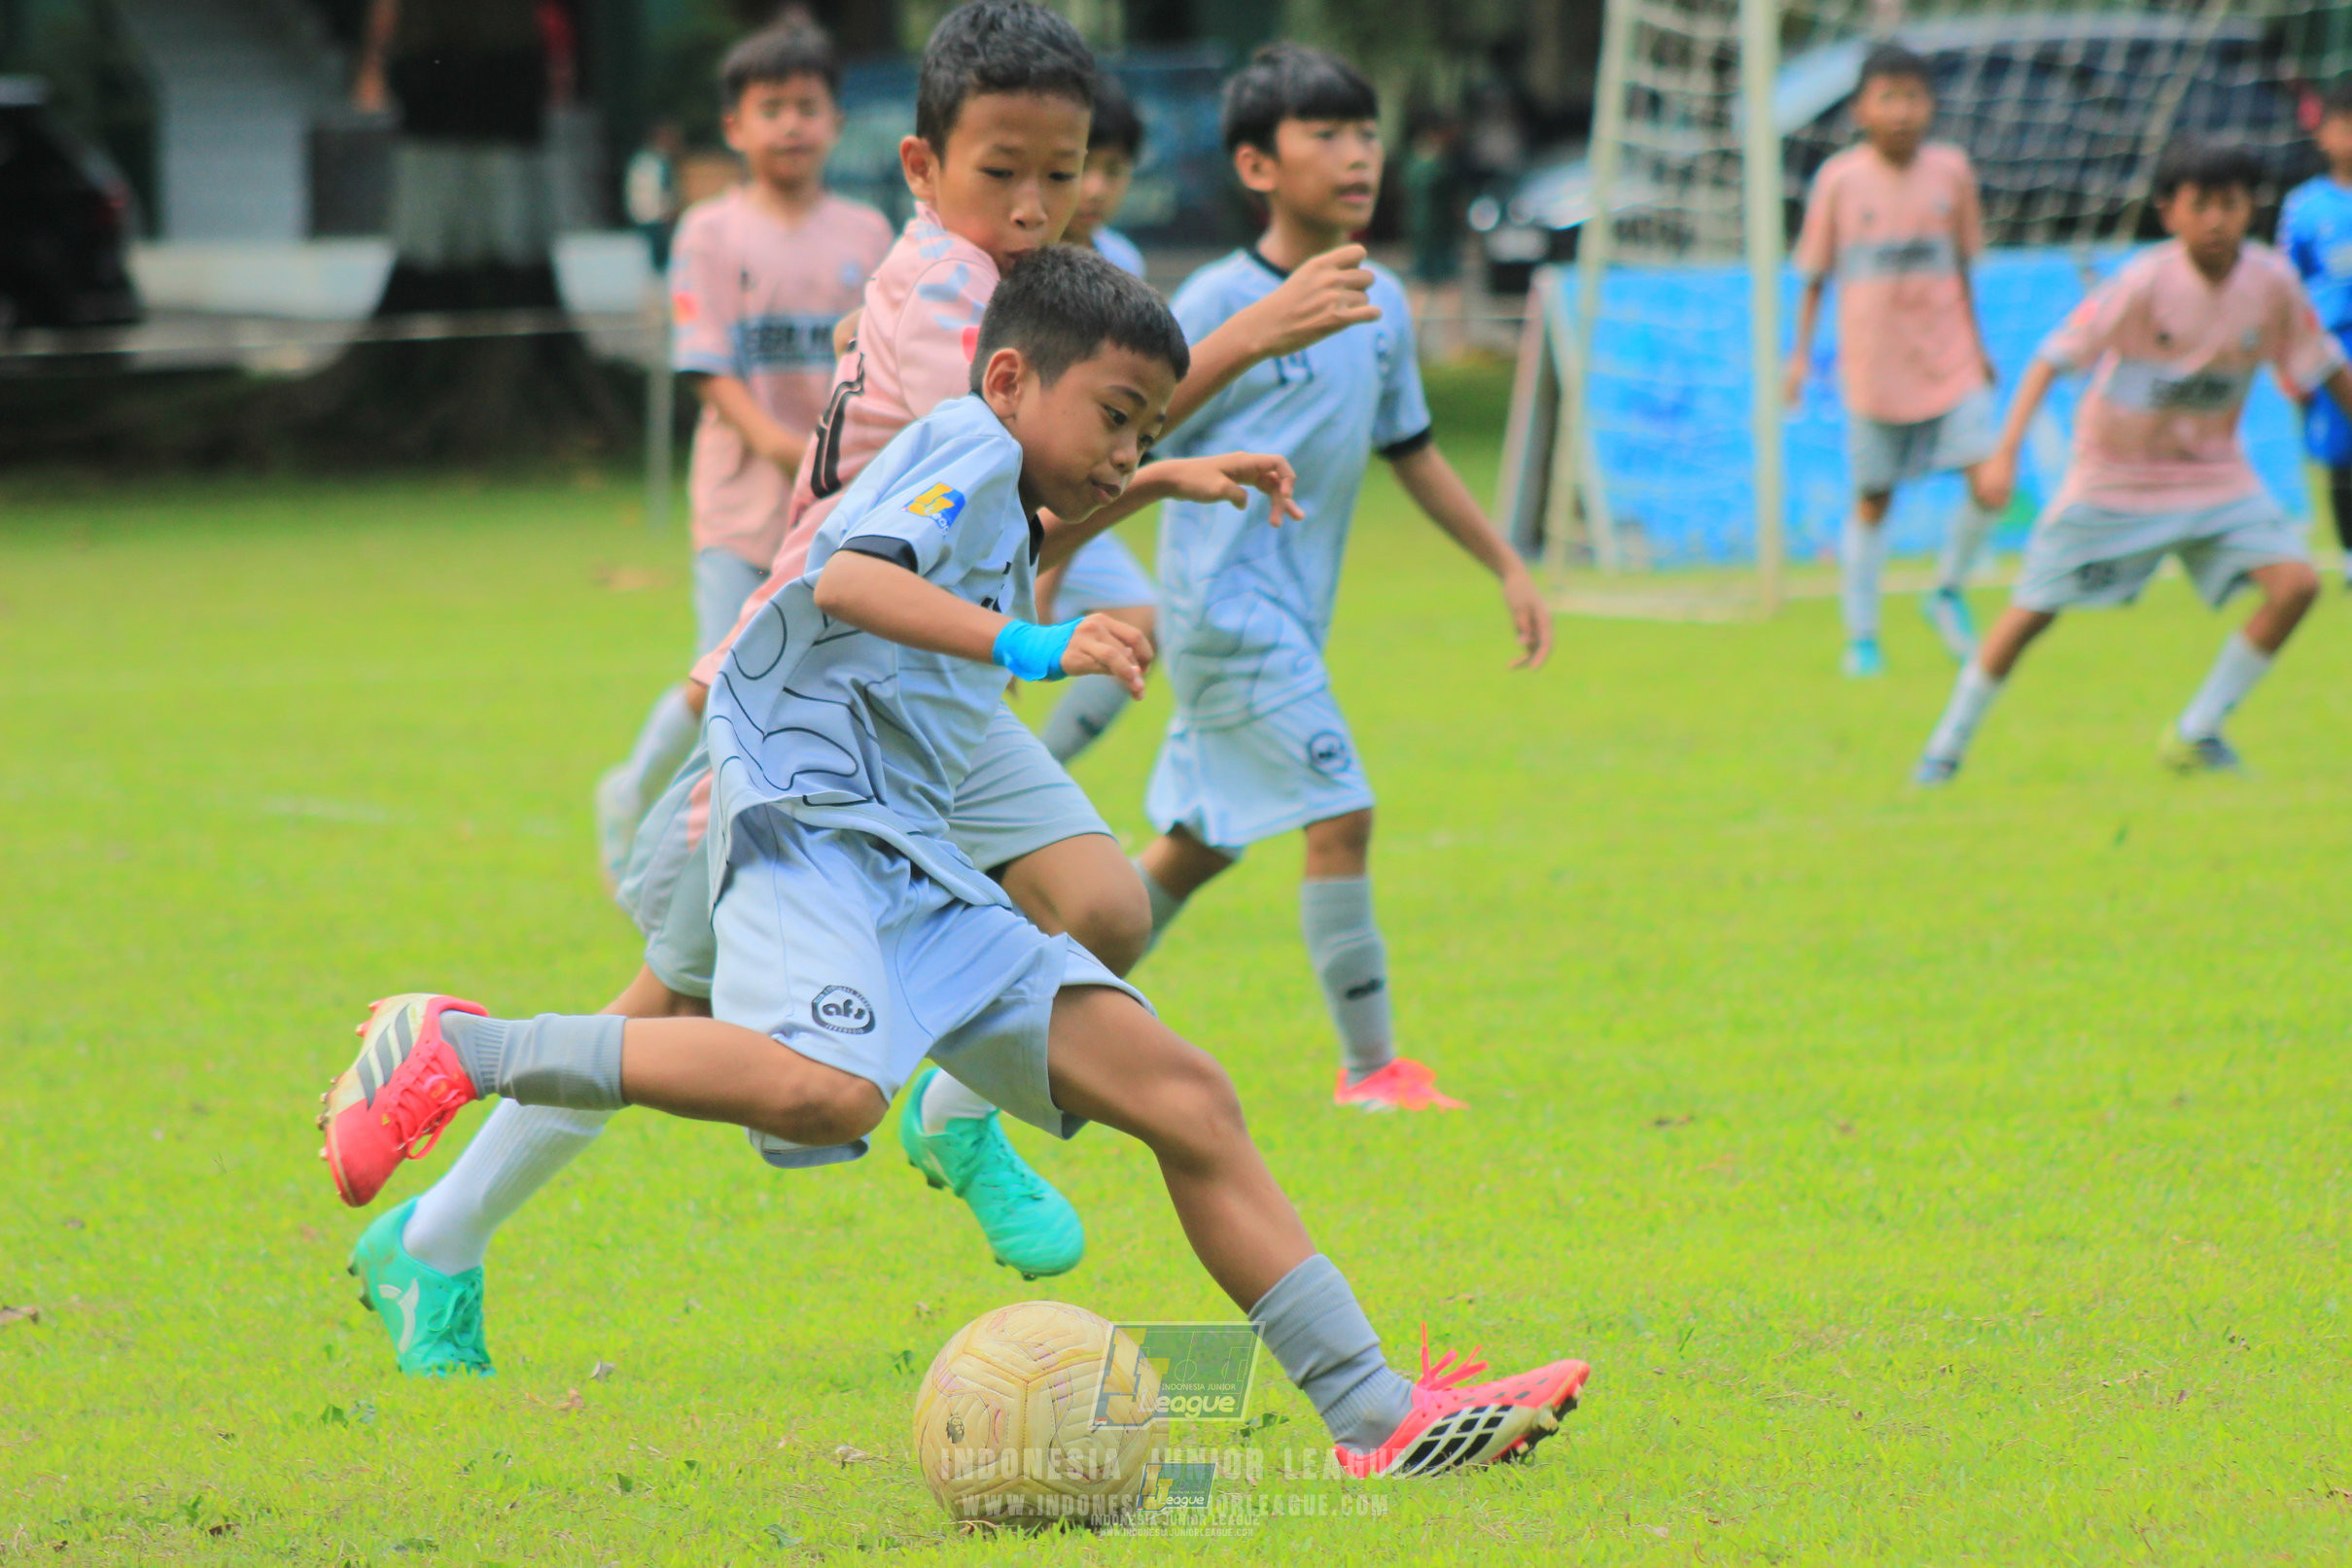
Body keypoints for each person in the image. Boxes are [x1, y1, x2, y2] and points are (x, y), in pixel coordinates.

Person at [318, 246, 1592, 1478]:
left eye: (1143, 428)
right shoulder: (968, 442)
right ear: (1009, 381)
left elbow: (991, 554)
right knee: (823, 1090)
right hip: (809, 810)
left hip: (908, 844)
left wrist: (1151, 483)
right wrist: (1037, 647)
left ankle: (1373, 1412)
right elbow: (850, 581)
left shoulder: (1002, 483)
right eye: (1115, 416)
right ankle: (462, 1045)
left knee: (1186, 1096)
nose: (1123, 449)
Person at [338, 0, 1374, 1378]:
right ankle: (441, 1225)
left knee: (1103, 904)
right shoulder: (954, 303)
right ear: (923, 169)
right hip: (814, 707)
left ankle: (952, 1103)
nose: (1035, 205)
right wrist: (1241, 340)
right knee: (679, 1016)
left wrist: (1158, 470)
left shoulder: (985, 282)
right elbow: (996, 482)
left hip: (923, 702)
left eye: (1061, 173)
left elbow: (1042, 493)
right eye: (1001, 171)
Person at [1133, 45, 1554, 1112]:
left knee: (1198, 845)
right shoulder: (1219, 298)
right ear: (1256, 166)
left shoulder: (1384, 300)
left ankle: (1007, 1016)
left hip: (1285, 617)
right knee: (1342, 811)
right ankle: (1371, 1071)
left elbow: (1410, 448)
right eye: (1324, 134)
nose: (1357, 154)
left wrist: (1505, 561)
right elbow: (1134, 431)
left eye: (1365, 132)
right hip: (1225, 611)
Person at [1913, 140, 2352, 785]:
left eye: (2229, 204)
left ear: (2249, 209)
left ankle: (2198, 730)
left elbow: (2325, 364)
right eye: (2200, 205)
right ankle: (1943, 749)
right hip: (2114, 476)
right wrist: (2003, 455)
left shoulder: (2271, 283)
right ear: (2168, 212)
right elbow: (2049, 359)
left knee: (2296, 585)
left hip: (2213, 474)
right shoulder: (2142, 282)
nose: (2215, 220)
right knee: (2032, 610)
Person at [595, 24, 891, 880]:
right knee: (723, 674)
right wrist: (773, 443)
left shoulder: (869, 233)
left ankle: (797, 847)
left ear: (836, 120)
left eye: (807, 106)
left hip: (840, 497)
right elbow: (705, 363)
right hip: (742, 496)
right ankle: (637, 794)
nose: (791, 124)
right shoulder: (710, 231)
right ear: (734, 126)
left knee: (825, 678)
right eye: (772, 108)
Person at [1787, 42, 2003, 677]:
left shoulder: (1952, 172)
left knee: (1990, 481)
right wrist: (1798, 357)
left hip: (1950, 359)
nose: (1901, 111)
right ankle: (1862, 637)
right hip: (1874, 369)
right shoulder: (1839, 180)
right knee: (1874, 500)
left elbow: (1963, 268)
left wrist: (1980, 346)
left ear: (1930, 105)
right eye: (1887, 98)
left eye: (1912, 97)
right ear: (1860, 109)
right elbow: (1814, 277)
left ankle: (1946, 590)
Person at [1037, 68, 1160, 765]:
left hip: (1076, 494)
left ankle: (1036, 777)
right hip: (995, 497)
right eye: (1084, 168)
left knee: (1137, 623)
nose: (1097, 189)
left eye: (1115, 170)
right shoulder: (1020, 258)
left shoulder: (1123, 262)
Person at [2280, 80, 2352, 585]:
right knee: (2343, 454)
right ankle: (2349, 553)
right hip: (2335, 346)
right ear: (2321, 133)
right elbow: (2287, 286)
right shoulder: (2305, 206)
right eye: (2342, 125)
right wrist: (2290, 359)